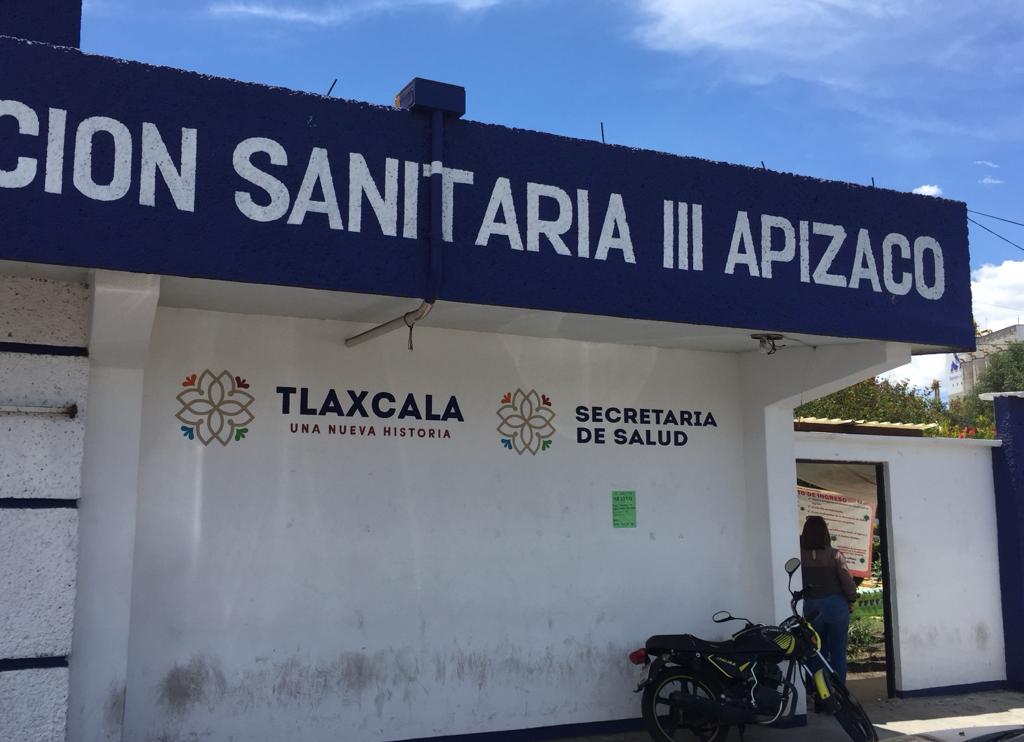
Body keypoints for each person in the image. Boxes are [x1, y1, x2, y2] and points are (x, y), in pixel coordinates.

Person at [800, 516, 858, 683]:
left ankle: (816, 690)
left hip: (811, 607)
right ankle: (838, 689)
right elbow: (847, 581)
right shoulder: (835, 555)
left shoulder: (799, 555)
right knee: (838, 650)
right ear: (825, 533)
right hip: (836, 606)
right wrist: (851, 598)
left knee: (816, 650)